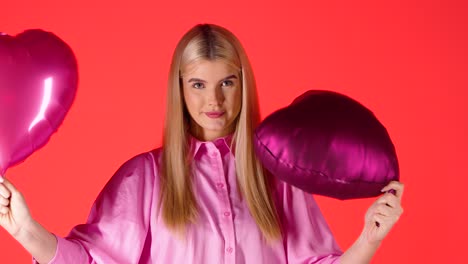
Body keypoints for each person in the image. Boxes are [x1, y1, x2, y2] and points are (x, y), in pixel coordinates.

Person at [0, 24, 404, 264]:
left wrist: (369, 237)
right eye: (198, 84)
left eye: (227, 82)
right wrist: (25, 229)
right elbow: (93, 260)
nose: (214, 100)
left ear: (244, 86)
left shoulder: (278, 179)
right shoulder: (144, 178)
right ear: (179, 89)